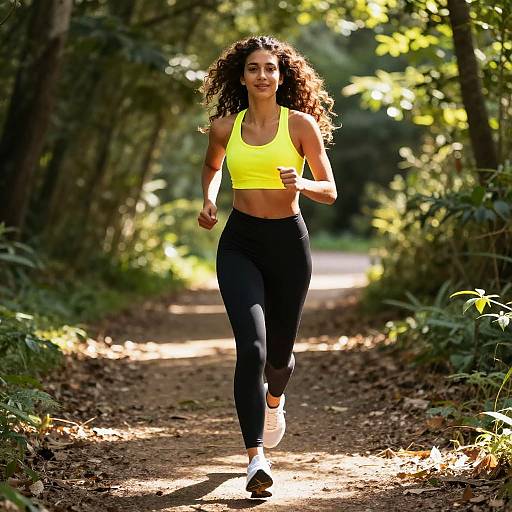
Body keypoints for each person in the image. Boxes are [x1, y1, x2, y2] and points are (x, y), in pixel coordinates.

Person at [197, 35, 337, 496]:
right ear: (242, 76)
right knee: (251, 349)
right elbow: (213, 167)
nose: (262, 75)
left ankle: (274, 399)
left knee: (279, 356)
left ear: (282, 76)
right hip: (240, 242)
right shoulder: (225, 127)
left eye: (270, 68)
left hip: (288, 244)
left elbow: (330, 189)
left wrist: (304, 181)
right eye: (254, 68)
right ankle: (256, 458)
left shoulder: (300, 126)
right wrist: (209, 200)